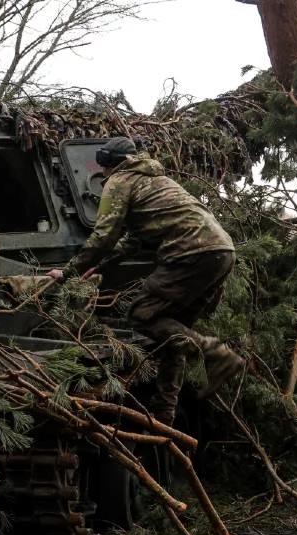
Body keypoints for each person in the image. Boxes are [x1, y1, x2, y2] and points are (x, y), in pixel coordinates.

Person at [51, 137, 244, 424]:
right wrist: (98, 265)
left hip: (190, 252)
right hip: (221, 252)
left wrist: (68, 272)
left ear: (107, 163)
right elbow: (131, 242)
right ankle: (164, 412)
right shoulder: (155, 180)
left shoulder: (120, 181)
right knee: (174, 334)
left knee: (142, 314)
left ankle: (215, 354)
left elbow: (103, 236)